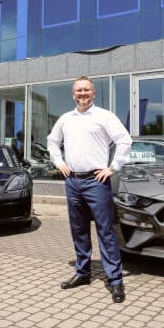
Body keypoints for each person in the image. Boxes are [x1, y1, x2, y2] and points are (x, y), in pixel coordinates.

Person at [47, 76, 132, 303]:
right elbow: (52, 141)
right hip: (72, 181)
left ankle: (115, 280)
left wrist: (113, 167)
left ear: (93, 93)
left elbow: (124, 140)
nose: (82, 93)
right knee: (79, 230)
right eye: (79, 90)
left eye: (86, 90)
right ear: (73, 94)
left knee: (106, 231)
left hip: (96, 182)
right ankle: (83, 273)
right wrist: (59, 162)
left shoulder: (104, 116)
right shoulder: (66, 119)